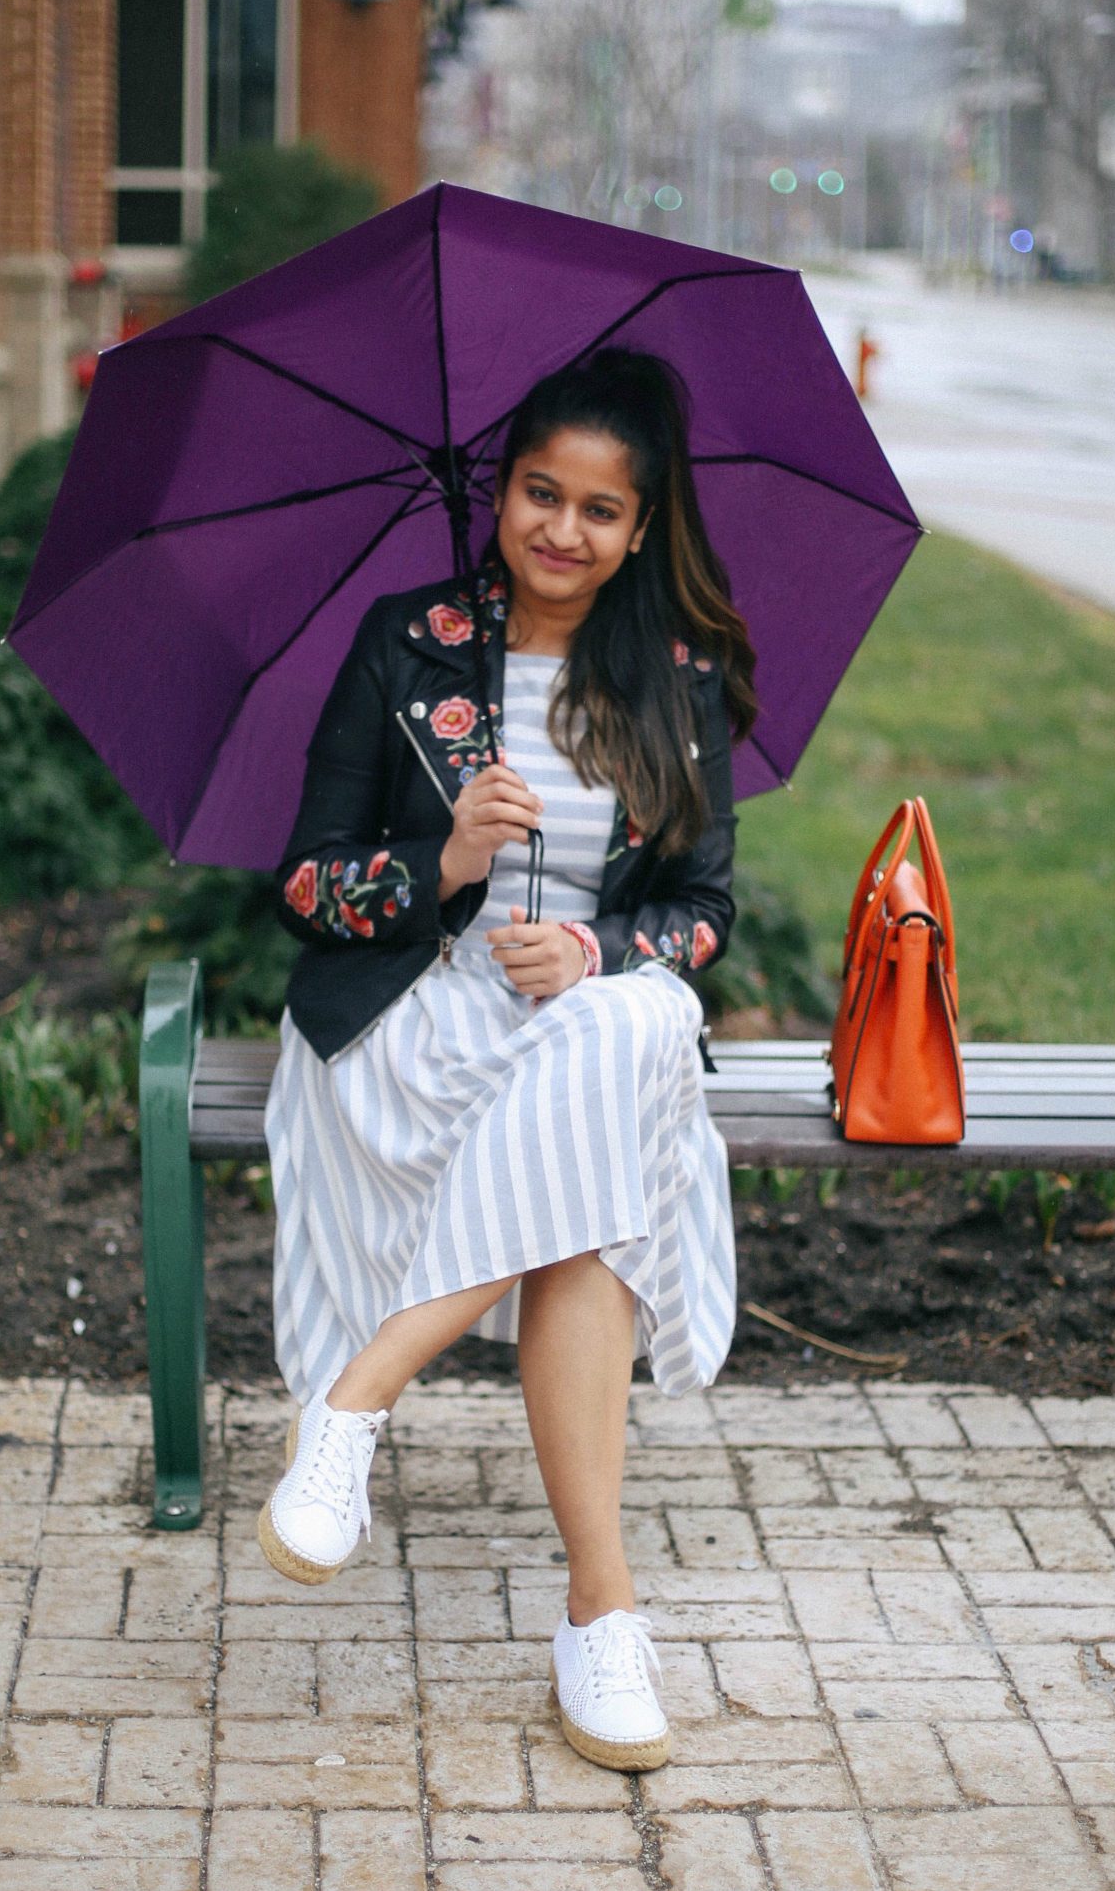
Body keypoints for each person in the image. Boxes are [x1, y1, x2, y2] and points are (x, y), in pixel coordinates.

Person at [259, 345, 760, 1773]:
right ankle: (600, 1622)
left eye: (600, 512)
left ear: (643, 528)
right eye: (542, 494)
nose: (563, 532)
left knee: (628, 1026)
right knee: (597, 1178)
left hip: (584, 1030)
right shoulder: (404, 642)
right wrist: (448, 861)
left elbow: (702, 914)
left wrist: (599, 953)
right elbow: (305, 883)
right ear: (505, 492)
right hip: (425, 1022)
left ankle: (359, 1402)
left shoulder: (678, 679)